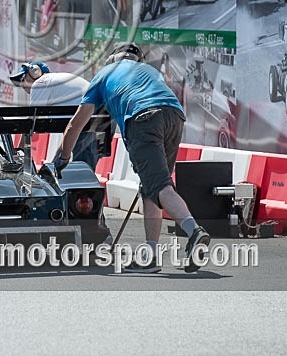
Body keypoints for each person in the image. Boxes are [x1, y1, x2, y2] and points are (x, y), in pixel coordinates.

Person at [52, 43, 210, 273]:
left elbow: (77, 123)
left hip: (143, 118)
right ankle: (151, 255)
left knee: (160, 186)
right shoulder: (150, 71)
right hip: (174, 116)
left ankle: (194, 231)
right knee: (151, 188)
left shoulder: (104, 74)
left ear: (112, 58)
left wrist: (64, 157)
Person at [9, 61, 98, 170]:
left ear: (34, 73)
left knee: (83, 164)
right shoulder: (55, 83)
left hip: (84, 115)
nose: (22, 84)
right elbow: (69, 134)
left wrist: (19, 150)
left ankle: (83, 181)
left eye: (23, 79)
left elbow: (32, 121)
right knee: (85, 158)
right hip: (96, 116)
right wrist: (54, 163)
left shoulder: (40, 83)